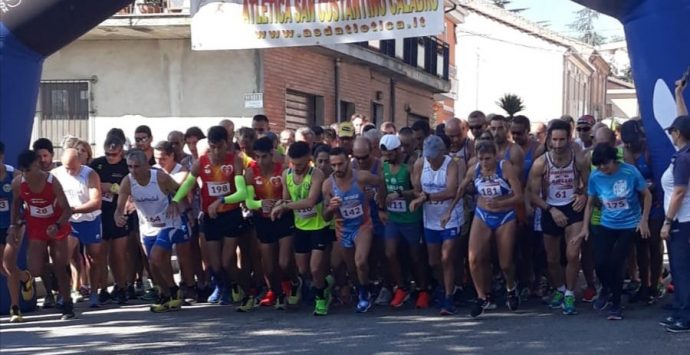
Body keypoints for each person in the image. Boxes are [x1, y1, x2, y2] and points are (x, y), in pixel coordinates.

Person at [171, 126, 250, 309]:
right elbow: (189, 183)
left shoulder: (235, 161)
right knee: (214, 263)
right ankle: (225, 288)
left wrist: (221, 201)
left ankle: (242, 288)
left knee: (226, 260)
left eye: (219, 147)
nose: (216, 151)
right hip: (210, 216)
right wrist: (176, 200)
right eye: (212, 147)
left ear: (226, 144)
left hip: (231, 214)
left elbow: (242, 193)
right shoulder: (201, 162)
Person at [578, 144, 651, 321]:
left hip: (629, 225)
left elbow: (647, 195)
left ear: (614, 160)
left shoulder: (630, 172)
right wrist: (584, 227)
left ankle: (616, 305)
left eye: (607, 164)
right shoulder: (596, 176)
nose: (604, 168)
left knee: (616, 263)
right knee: (600, 263)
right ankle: (606, 288)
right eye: (600, 165)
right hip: (606, 224)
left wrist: (644, 220)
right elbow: (590, 202)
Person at [452, 140, 523, 317]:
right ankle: (482, 296)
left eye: (488, 158)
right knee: (473, 259)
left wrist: (502, 202)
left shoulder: (505, 167)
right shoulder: (475, 169)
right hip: (482, 214)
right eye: (481, 159)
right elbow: (461, 188)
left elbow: (519, 196)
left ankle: (511, 287)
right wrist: (449, 210)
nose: (484, 163)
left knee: (505, 263)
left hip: (505, 215)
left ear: (496, 155)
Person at [528, 120, 589, 315]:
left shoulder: (578, 159)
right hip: (550, 208)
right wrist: (551, 210)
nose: (558, 144)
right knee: (552, 259)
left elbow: (590, 184)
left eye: (562, 139)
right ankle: (560, 289)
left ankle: (570, 293)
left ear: (569, 139)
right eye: (554, 139)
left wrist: (584, 195)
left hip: (573, 208)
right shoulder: (541, 163)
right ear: (549, 140)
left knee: (572, 254)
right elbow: (532, 194)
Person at [115, 149, 188, 313]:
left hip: (168, 222)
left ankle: (171, 291)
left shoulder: (160, 177)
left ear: (147, 166)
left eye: (137, 166)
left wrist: (175, 202)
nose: (133, 170)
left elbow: (180, 190)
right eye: (130, 167)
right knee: (153, 264)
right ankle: (168, 293)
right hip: (147, 225)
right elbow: (119, 207)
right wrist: (118, 216)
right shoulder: (128, 181)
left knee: (156, 257)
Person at [5, 150, 74, 321]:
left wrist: (57, 225)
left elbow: (67, 209)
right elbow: (16, 204)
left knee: (60, 266)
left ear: (37, 165)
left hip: (56, 224)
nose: (26, 175)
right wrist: (14, 225)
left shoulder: (52, 181)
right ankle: (48, 276)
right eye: (23, 171)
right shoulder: (18, 183)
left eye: (28, 170)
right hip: (36, 226)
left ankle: (66, 303)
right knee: (35, 268)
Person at [271, 141, 332, 315]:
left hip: (319, 225)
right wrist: (278, 205)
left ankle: (321, 298)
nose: (296, 167)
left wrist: (285, 207)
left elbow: (311, 201)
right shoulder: (286, 175)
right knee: (304, 270)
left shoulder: (316, 174)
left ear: (309, 159)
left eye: (300, 164)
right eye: (293, 163)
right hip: (300, 227)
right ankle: (326, 283)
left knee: (315, 268)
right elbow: (286, 199)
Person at [322, 147, 386, 313]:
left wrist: (381, 202)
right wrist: (330, 208)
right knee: (352, 268)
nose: (337, 169)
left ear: (348, 161)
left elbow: (380, 181)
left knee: (361, 261)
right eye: (333, 165)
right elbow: (325, 216)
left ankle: (364, 294)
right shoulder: (328, 185)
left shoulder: (361, 177)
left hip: (363, 225)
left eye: (340, 164)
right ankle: (361, 289)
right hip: (342, 229)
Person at [410, 135, 461, 315]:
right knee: (434, 262)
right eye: (428, 156)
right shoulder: (420, 164)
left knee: (446, 258)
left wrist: (428, 197)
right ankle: (445, 285)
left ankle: (449, 297)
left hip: (449, 216)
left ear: (442, 153)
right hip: (430, 218)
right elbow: (416, 187)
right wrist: (419, 197)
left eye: (433, 156)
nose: (430, 160)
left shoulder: (451, 164)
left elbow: (451, 190)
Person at [379, 134, 429, 309]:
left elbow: (418, 191)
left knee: (416, 256)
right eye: (385, 155)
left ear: (398, 150)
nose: (388, 158)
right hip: (393, 218)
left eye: (390, 155)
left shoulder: (409, 168)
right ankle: (401, 287)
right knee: (390, 253)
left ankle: (423, 289)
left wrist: (400, 193)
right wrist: (381, 209)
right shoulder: (383, 165)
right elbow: (382, 188)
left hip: (411, 218)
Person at [244, 137, 294, 310]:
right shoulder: (250, 172)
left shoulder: (283, 169)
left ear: (272, 154)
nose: (260, 161)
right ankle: (277, 292)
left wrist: (280, 204)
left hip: (283, 217)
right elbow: (247, 201)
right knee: (269, 266)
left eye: (264, 157)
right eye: (256, 157)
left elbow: (290, 196)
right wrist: (259, 204)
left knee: (284, 262)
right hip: (263, 219)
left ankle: (293, 282)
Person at [52, 149, 105, 308]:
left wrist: (74, 209)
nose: (70, 171)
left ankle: (94, 292)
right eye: (67, 167)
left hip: (90, 219)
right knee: (63, 255)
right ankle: (65, 293)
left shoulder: (90, 174)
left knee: (94, 256)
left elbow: (96, 202)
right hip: (69, 222)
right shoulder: (56, 174)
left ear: (80, 162)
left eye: (73, 168)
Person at [621, 120, 665, 304]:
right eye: (626, 141)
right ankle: (644, 284)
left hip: (655, 203)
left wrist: (648, 186)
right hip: (636, 204)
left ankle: (655, 284)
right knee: (640, 245)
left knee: (654, 242)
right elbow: (630, 176)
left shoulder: (650, 151)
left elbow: (661, 178)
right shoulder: (626, 151)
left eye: (632, 140)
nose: (630, 144)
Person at [153, 141, 197, 301]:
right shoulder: (154, 170)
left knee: (183, 254)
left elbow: (173, 186)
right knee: (160, 255)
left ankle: (190, 286)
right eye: (156, 158)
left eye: (163, 158)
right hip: (160, 219)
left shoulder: (181, 170)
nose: (159, 162)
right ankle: (168, 288)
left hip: (180, 216)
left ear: (172, 156)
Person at [89, 136, 130, 304]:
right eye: (107, 154)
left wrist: (113, 188)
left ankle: (121, 287)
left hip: (120, 212)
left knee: (118, 254)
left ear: (121, 152)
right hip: (101, 214)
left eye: (114, 154)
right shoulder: (96, 164)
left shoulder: (126, 165)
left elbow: (132, 187)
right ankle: (103, 289)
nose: (110, 157)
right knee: (100, 254)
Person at [660, 113, 690, 332]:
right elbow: (684, 118)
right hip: (684, 218)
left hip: (682, 219)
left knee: (681, 270)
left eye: (672, 131)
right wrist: (679, 94)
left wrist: (667, 222)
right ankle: (679, 309)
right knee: (680, 269)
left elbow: (679, 192)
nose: (671, 134)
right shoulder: (685, 153)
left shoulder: (683, 158)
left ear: (678, 134)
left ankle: (685, 316)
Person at [0, 141, 15, 286]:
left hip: (12, 225)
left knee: (8, 264)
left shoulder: (13, 174)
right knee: (2, 266)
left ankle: (15, 304)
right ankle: (25, 278)